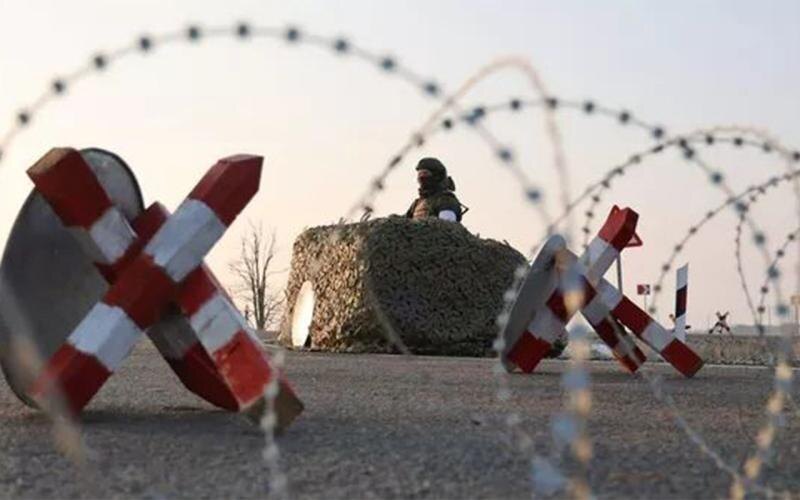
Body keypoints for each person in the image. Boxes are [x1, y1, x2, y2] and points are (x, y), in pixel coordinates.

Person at [405, 158, 464, 222]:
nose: (421, 177)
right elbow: (404, 222)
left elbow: (447, 225)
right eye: (419, 174)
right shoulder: (417, 203)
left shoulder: (446, 200)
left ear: (437, 176)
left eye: (425, 173)